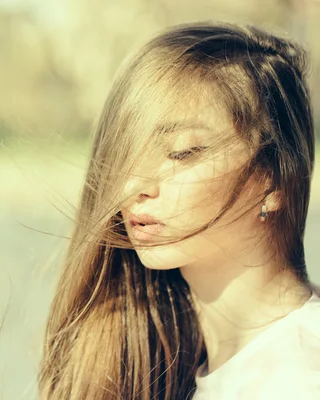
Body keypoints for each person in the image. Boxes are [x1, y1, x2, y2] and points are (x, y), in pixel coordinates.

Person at [37, 21, 320, 399]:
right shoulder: (160, 361)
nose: (133, 186)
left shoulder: (298, 375)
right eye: (126, 153)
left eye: (181, 153)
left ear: (273, 179)